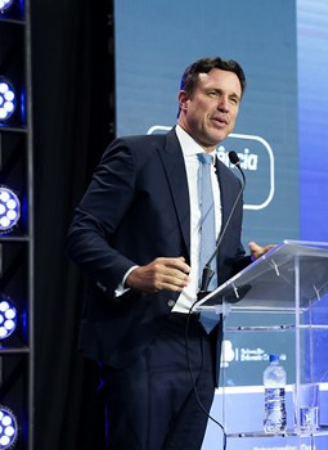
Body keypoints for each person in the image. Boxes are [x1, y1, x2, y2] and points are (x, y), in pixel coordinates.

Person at [65, 57, 273, 449]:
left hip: (202, 345)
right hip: (144, 340)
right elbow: (81, 234)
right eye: (214, 93)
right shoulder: (137, 155)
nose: (225, 106)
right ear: (184, 100)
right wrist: (133, 274)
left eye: (233, 99)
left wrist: (257, 267)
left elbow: (220, 266)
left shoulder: (231, 182)